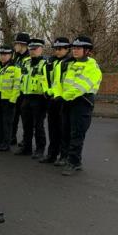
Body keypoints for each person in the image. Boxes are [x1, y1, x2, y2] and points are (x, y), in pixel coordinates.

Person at [59, 36, 102, 176]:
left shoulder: (92, 67)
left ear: (87, 51)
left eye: (78, 48)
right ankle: (66, 158)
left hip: (82, 102)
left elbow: (80, 87)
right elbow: (64, 83)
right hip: (68, 102)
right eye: (74, 48)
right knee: (65, 131)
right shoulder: (71, 64)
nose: (75, 51)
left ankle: (74, 162)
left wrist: (63, 96)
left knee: (77, 134)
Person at [40, 37, 73, 164]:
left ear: (67, 49)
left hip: (64, 100)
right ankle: (52, 154)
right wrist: (48, 92)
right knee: (52, 128)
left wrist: (63, 95)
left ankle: (64, 155)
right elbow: (45, 79)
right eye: (56, 49)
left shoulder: (70, 63)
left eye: (60, 49)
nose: (57, 51)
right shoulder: (49, 62)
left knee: (64, 129)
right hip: (51, 99)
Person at [15, 38, 49, 159]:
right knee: (26, 124)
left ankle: (40, 149)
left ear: (41, 49)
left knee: (38, 125)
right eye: (31, 49)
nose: (32, 51)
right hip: (26, 96)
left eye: (35, 49)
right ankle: (27, 147)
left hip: (39, 98)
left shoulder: (45, 63)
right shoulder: (26, 62)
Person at [0, 45, 21, 152]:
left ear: (11, 55)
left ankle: (6, 143)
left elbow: (17, 85)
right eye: (1, 54)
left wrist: (12, 100)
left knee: (7, 122)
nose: (3, 57)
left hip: (8, 99)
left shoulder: (15, 68)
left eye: (5, 55)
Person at [11, 32, 31, 146]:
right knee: (14, 116)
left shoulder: (28, 58)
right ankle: (12, 137)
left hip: (24, 92)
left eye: (16, 44)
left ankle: (25, 140)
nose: (15, 46)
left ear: (22, 45)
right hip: (15, 91)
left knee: (25, 118)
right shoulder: (15, 57)